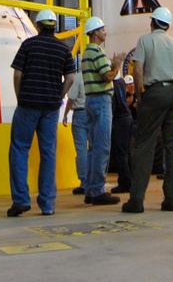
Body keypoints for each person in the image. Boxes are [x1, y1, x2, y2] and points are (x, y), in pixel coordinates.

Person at [122, 7, 173, 214]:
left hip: (154, 93)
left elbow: (138, 70)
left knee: (144, 146)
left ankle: (136, 201)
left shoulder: (145, 40)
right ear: (167, 25)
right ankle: (171, 200)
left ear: (152, 23)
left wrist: (141, 97)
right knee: (172, 147)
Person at [8, 8, 75, 217]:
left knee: (19, 149)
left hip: (28, 104)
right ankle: (47, 205)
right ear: (54, 26)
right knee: (48, 153)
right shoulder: (63, 49)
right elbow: (71, 78)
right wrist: (59, 96)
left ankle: (21, 200)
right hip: (50, 107)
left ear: (37, 25)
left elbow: (18, 74)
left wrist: (20, 97)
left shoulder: (28, 45)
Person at [80, 16, 122, 205]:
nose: (105, 32)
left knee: (92, 148)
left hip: (90, 101)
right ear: (95, 32)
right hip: (101, 101)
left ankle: (90, 189)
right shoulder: (97, 52)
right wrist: (117, 64)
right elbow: (107, 76)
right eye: (103, 29)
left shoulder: (87, 53)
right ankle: (97, 190)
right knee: (103, 147)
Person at [63, 55, 88, 195]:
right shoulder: (95, 76)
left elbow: (71, 98)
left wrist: (66, 114)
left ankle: (84, 183)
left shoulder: (78, 77)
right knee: (94, 148)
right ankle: (96, 180)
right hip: (95, 113)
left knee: (81, 149)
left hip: (80, 114)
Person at [108, 73, 135, 195]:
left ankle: (124, 183)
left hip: (120, 120)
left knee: (121, 153)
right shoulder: (120, 83)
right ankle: (130, 180)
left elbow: (113, 104)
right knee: (127, 151)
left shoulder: (113, 84)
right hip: (127, 118)